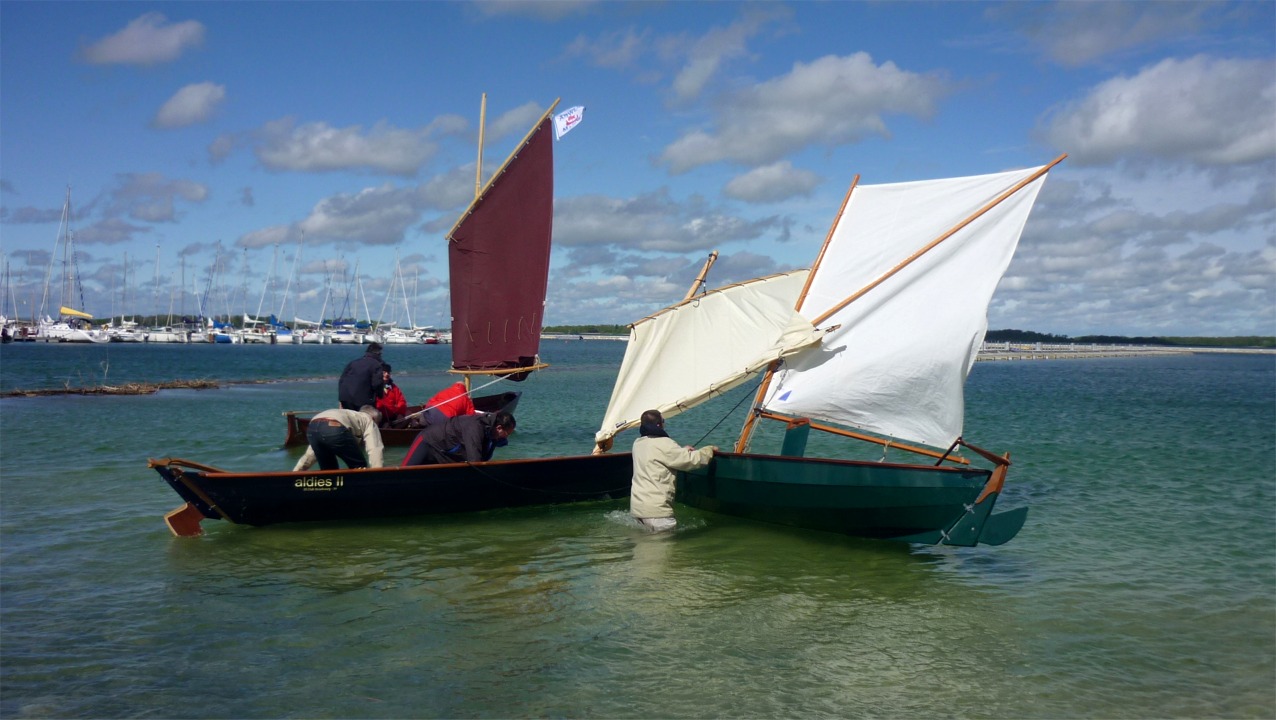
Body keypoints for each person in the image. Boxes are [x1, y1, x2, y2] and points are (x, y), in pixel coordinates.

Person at [630, 409, 716, 532]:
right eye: (663, 421)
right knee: (664, 550)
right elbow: (691, 461)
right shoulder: (665, 443)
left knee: (643, 548)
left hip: (638, 509)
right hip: (657, 512)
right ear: (659, 425)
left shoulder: (637, 443)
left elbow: (660, 455)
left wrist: (681, 450)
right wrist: (709, 450)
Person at [401, 411, 515, 466]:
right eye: (507, 434)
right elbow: (475, 460)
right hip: (427, 441)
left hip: (444, 452)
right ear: (499, 428)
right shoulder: (475, 428)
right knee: (403, 473)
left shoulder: (492, 433)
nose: (507, 437)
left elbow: (483, 459)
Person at [294, 406, 385, 471]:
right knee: (359, 467)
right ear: (373, 418)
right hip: (334, 426)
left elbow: (310, 454)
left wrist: (296, 471)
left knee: (329, 472)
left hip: (312, 427)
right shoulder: (368, 419)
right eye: (378, 423)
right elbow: (375, 449)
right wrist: (377, 474)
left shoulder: (349, 414)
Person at [404, 380, 476, 428]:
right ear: (464, 389)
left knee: (425, 420)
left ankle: (417, 423)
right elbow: (471, 416)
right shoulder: (465, 398)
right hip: (444, 417)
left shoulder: (446, 390)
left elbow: (431, 401)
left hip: (431, 410)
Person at [338, 342, 385, 410]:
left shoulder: (353, 363)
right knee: (366, 417)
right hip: (362, 400)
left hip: (345, 398)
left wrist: (341, 398)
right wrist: (380, 395)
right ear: (379, 354)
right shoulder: (376, 365)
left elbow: (342, 380)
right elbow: (377, 384)